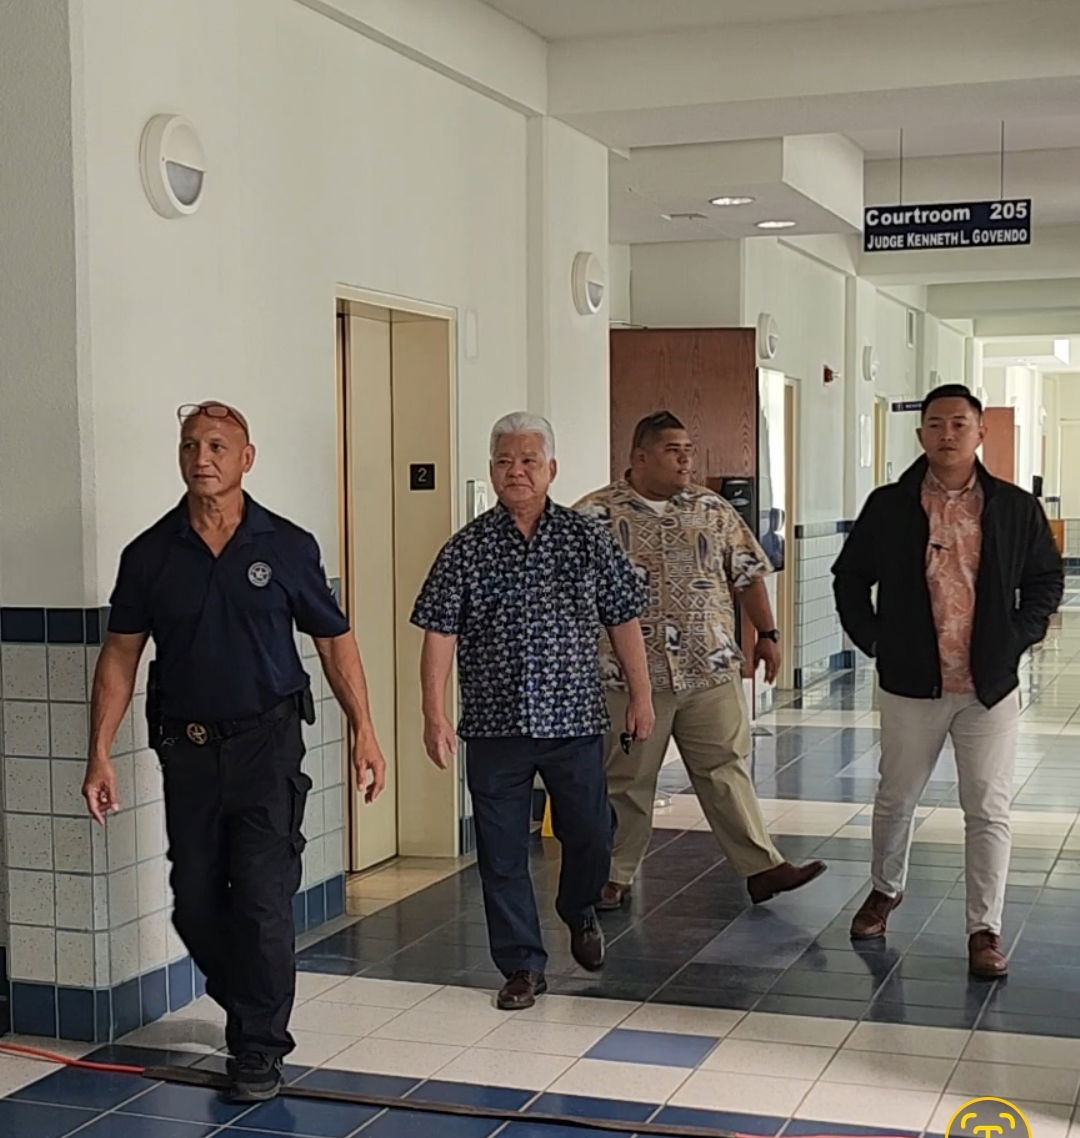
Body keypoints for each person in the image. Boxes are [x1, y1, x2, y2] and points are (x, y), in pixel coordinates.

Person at [82, 401, 386, 1101]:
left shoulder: (286, 545)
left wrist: (363, 729)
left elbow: (333, 640)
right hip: (186, 752)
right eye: (191, 445)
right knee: (193, 901)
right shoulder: (151, 553)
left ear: (247, 458)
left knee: (261, 899)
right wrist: (98, 752)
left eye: (218, 445)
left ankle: (257, 1047)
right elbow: (120, 658)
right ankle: (248, 1000)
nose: (202, 457)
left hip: (266, 746)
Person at [412, 412, 654, 1011]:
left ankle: (578, 911)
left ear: (551, 469)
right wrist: (434, 714)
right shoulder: (466, 548)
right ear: (491, 471)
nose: (515, 472)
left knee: (592, 833)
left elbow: (623, 618)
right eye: (503, 462)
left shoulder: (587, 538)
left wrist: (642, 695)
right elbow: (439, 634)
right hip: (495, 728)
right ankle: (521, 966)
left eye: (527, 461)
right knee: (499, 853)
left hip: (573, 721)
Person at [833, 384, 1063, 978]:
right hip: (911, 682)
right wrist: (876, 641)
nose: (947, 434)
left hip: (988, 687)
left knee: (988, 808)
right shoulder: (890, 505)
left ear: (980, 431)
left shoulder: (1013, 508)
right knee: (895, 797)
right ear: (921, 434)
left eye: (960, 423)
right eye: (936, 424)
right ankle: (885, 890)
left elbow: (1045, 582)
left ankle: (984, 928)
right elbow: (849, 579)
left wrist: (1016, 638)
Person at [575, 411, 826, 912]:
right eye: (673, 449)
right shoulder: (593, 516)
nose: (687, 458)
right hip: (630, 678)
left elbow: (748, 573)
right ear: (640, 457)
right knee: (627, 780)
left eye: (689, 448)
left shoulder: (712, 510)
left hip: (709, 668)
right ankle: (616, 876)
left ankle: (762, 868)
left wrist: (769, 635)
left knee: (725, 769)